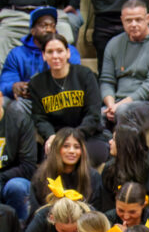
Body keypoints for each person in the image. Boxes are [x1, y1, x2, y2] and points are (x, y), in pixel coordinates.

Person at [29, 34, 106, 166]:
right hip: (57, 140)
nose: (55, 56)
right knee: (52, 163)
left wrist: (74, 136)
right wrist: (51, 136)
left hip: (89, 137)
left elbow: (93, 114)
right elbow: (40, 118)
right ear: (44, 56)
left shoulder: (85, 75)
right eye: (50, 52)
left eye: (60, 51)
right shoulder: (37, 83)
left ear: (68, 53)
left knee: (77, 159)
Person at [99, 0, 149, 133]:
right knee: (95, 116)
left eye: (138, 20)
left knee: (124, 112)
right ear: (122, 20)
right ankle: (107, 151)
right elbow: (106, 80)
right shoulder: (114, 44)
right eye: (128, 20)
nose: (133, 24)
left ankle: (125, 152)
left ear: (148, 19)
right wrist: (110, 105)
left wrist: (119, 105)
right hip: (118, 103)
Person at [1, 6, 81, 113]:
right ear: (32, 31)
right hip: (26, 101)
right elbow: (5, 82)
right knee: (6, 102)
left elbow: (75, 78)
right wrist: (14, 86)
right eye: (44, 25)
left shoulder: (67, 51)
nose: (49, 29)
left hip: (57, 98)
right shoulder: (17, 54)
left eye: (52, 26)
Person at [100, 125, 149, 218]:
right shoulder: (110, 168)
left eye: (114, 139)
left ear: (125, 145)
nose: (109, 142)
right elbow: (106, 207)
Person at [28, 127, 101, 210]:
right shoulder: (41, 176)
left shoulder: (93, 177)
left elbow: (96, 213)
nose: (71, 151)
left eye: (76, 147)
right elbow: (35, 213)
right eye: (66, 146)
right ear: (56, 148)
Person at [0, 91, 37, 222]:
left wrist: (2, 177)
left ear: (0, 98)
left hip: (13, 179)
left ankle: (20, 230)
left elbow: (28, 166)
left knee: (17, 187)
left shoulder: (19, 120)